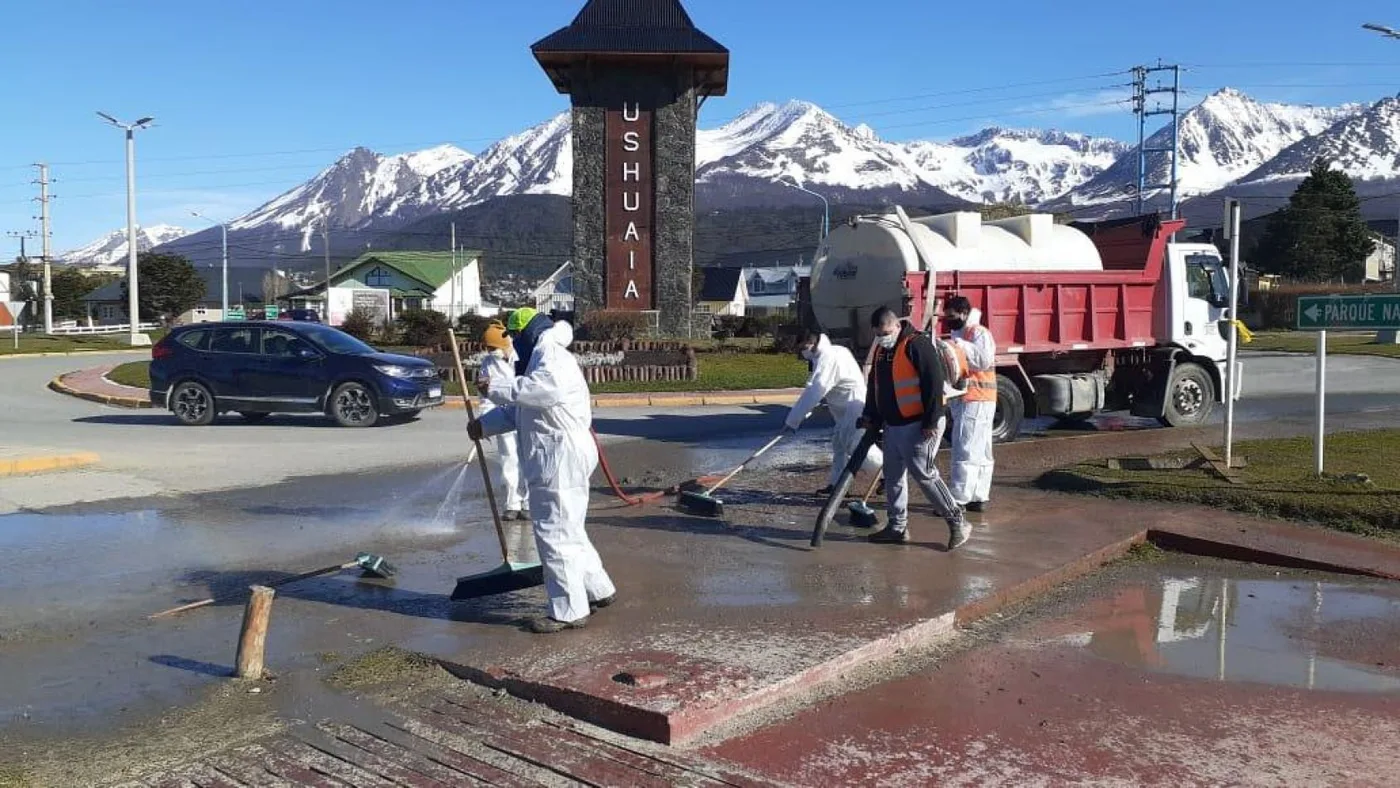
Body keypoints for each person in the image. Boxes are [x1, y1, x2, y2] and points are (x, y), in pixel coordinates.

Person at [470, 310, 616, 633]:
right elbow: (520, 409)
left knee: (554, 533)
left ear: (526, 332)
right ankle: (598, 588)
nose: (512, 342)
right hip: (559, 453)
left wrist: (495, 387)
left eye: (514, 335)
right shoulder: (540, 356)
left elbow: (542, 392)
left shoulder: (550, 355)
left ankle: (568, 610)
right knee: (569, 528)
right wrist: (484, 425)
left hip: (558, 455)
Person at [859, 306, 970, 550]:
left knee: (924, 473)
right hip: (894, 424)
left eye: (886, 332)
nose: (882, 337)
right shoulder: (881, 351)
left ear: (896, 326)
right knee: (893, 476)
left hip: (921, 423)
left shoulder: (916, 345)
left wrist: (931, 420)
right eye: (878, 334)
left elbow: (933, 383)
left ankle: (957, 521)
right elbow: (874, 387)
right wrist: (870, 415)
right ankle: (897, 527)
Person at [785, 331, 884, 495]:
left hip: (853, 406)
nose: (802, 353)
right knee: (839, 444)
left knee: (856, 445)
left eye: (802, 348)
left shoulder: (828, 358)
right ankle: (837, 485)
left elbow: (815, 390)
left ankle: (886, 473)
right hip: (844, 408)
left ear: (811, 343)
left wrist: (792, 421)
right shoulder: (834, 352)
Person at [944, 297, 997, 513]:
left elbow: (983, 360)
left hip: (975, 398)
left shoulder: (978, 333)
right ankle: (978, 495)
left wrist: (959, 346)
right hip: (976, 397)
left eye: (951, 316)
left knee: (965, 449)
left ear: (964, 313)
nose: (948, 320)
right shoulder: (962, 335)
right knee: (981, 450)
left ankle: (958, 499)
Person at [478, 320, 529, 521]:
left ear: (505, 344)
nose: (492, 352)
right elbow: (484, 397)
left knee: (527, 459)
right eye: (489, 348)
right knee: (509, 460)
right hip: (502, 416)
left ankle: (528, 503)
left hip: (524, 414)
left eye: (494, 348)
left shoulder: (523, 357)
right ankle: (512, 504)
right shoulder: (487, 364)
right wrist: (486, 423)